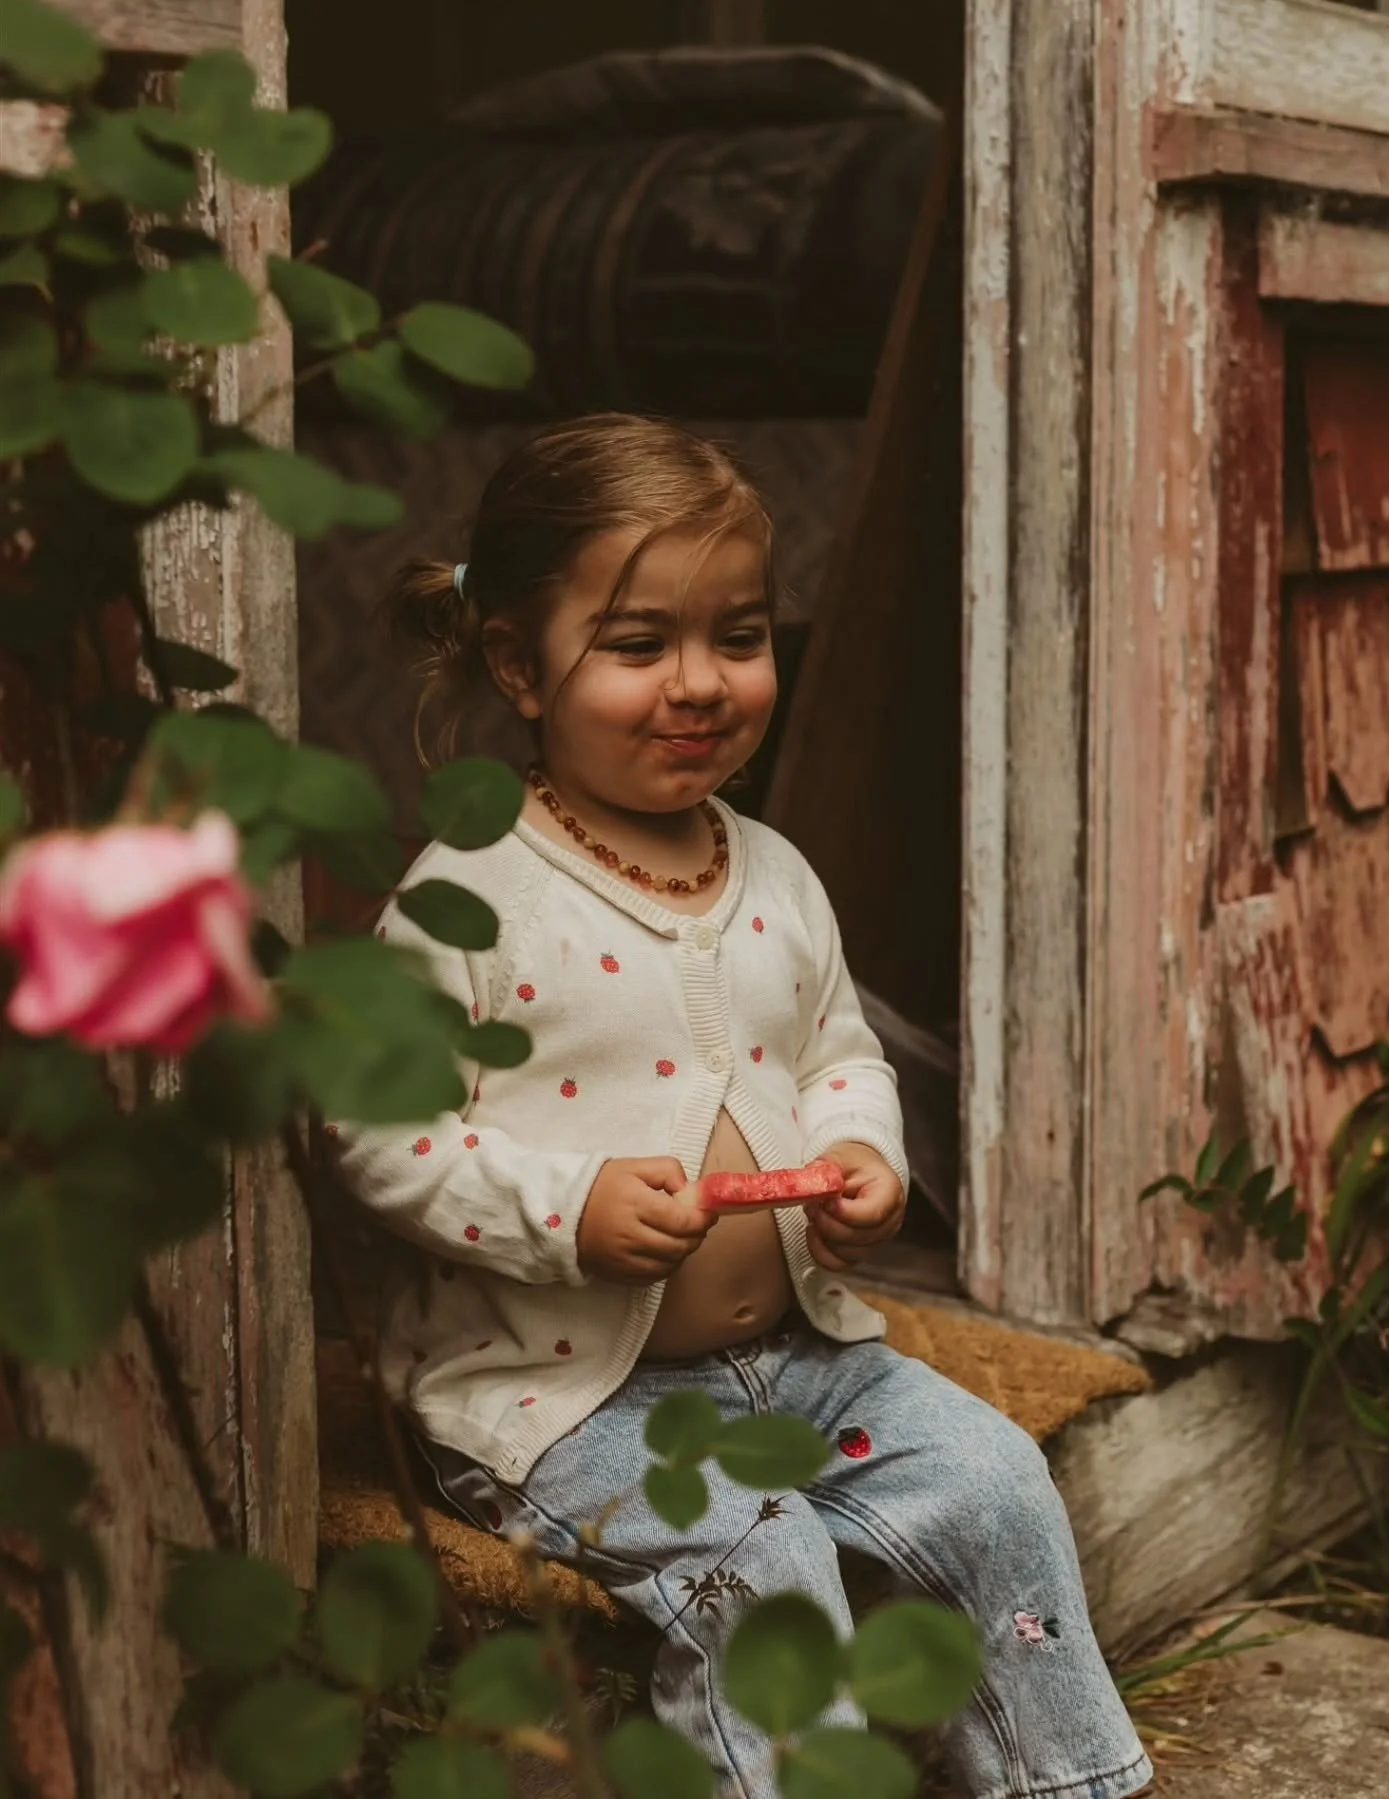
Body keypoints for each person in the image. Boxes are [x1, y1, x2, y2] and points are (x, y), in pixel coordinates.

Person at [333, 414, 1152, 1799]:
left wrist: (860, 1148)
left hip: (800, 1359)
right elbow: (378, 1133)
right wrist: (568, 1209)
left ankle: (1066, 1780)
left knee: (996, 1475)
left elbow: (838, 1051)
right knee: (766, 1566)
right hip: (561, 1394)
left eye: (742, 635)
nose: (701, 682)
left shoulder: (773, 870)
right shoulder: (473, 896)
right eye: (638, 644)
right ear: (519, 666)